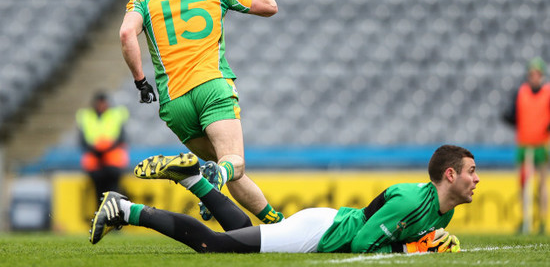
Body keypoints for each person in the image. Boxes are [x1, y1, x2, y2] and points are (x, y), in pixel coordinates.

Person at [119, 0, 282, 224]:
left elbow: (126, 34)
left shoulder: (142, 2)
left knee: (224, 164)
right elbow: (269, 6)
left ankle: (275, 222)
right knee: (233, 163)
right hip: (212, 87)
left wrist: (140, 82)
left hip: (175, 103)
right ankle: (216, 178)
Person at [89, 144, 478, 254]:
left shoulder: (441, 212)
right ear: (450, 174)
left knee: (241, 235)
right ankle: (127, 209)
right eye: (471, 172)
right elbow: (362, 243)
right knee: (215, 246)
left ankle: (194, 178)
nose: (477, 180)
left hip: (323, 227)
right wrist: (415, 250)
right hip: (318, 233)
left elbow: (419, 238)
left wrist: (435, 242)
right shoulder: (412, 198)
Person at [502, 57, 550, 234]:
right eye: (532, 74)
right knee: (523, 183)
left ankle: (543, 221)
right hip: (524, 143)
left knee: (542, 184)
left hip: (541, 144)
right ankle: (525, 219)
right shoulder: (521, 92)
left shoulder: (547, 93)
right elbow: (513, 115)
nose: (534, 77)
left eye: (537, 74)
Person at [76, 91, 130, 205]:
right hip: (95, 161)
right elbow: (82, 141)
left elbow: (122, 138)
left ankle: (113, 215)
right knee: (99, 193)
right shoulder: (86, 116)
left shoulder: (116, 115)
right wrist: (96, 149)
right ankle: (103, 216)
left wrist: (105, 148)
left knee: (113, 191)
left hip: (112, 160)